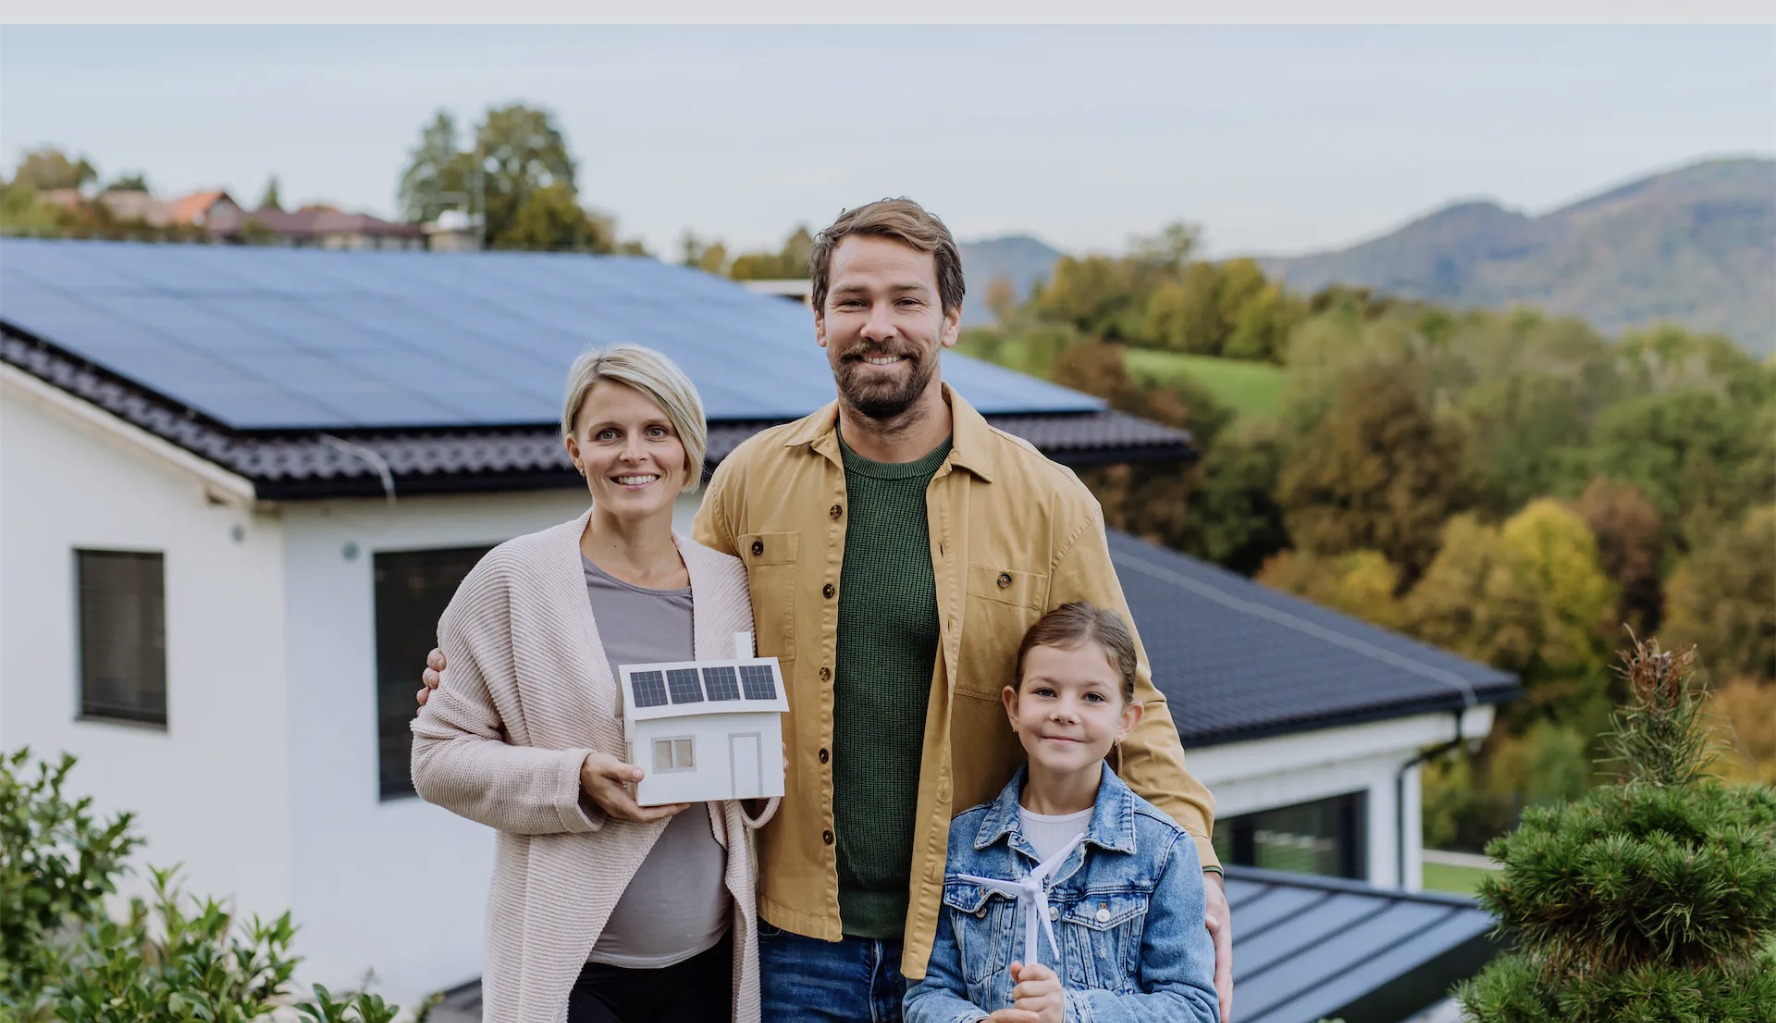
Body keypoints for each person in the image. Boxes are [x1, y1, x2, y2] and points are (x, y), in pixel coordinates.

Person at [423, 198, 1233, 1022]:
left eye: (905, 300)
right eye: (852, 301)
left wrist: (1197, 866)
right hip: (789, 945)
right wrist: (477, 677)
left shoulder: (1049, 502)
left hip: (968, 945)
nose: (877, 325)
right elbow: (675, 628)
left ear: (950, 318)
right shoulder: (751, 482)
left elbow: (1132, 698)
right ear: (817, 320)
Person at [409, 345, 776, 1023]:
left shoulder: (731, 585)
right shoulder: (513, 580)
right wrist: (572, 779)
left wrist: (755, 775)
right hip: (576, 973)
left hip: (712, 965)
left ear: (688, 451)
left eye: (655, 431)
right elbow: (435, 758)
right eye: (609, 434)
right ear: (576, 450)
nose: (633, 453)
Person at [903, 603, 1219, 1023]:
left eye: (1092, 697)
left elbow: (1193, 1008)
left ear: (1126, 720)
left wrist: (1071, 1013)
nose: (1064, 711)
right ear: (1013, 707)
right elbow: (926, 995)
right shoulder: (961, 843)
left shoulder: (1163, 851)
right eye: (1046, 691)